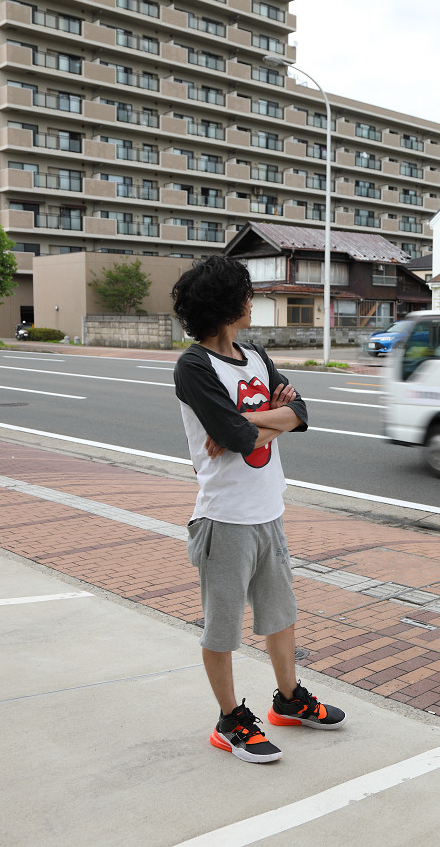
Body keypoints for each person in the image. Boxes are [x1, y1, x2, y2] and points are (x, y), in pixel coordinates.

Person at [171, 255, 346, 765]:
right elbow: (233, 436)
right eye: (245, 296)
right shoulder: (194, 366)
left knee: (280, 615)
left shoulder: (255, 356)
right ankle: (229, 721)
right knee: (222, 628)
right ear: (226, 305)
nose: (251, 303)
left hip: (269, 510)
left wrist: (250, 423)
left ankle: (288, 701)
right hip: (224, 518)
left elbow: (301, 412)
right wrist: (265, 421)